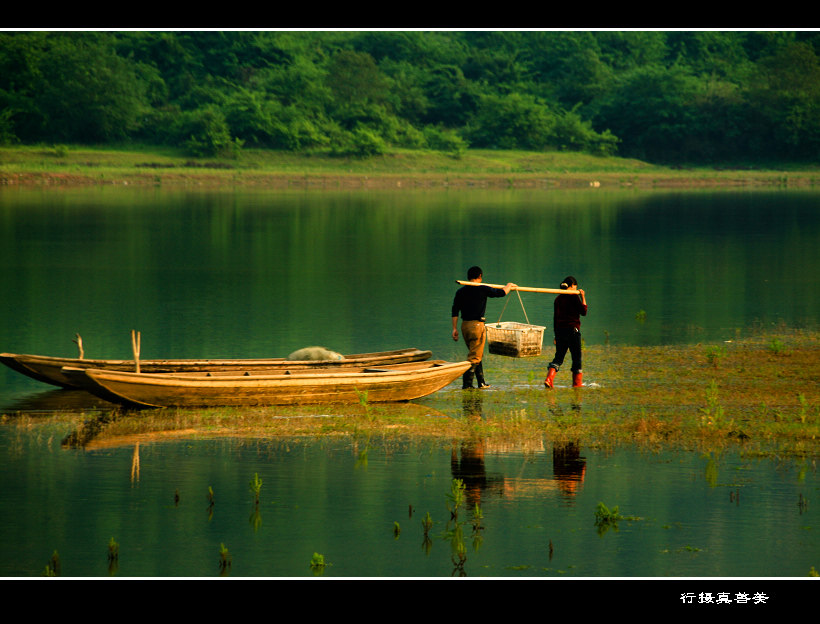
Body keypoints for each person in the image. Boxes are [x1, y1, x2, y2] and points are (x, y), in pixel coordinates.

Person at [451, 266, 516, 389]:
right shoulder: (482, 289)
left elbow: (455, 310)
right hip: (476, 326)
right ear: (480, 276)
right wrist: (509, 285)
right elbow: (501, 293)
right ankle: (467, 385)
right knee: (475, 357)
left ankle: (481, 382)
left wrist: (454, 328)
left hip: (465, 326)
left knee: (476, 353)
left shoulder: (460, 292)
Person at [544, 276, 587, 388]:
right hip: (573, 332)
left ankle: (549, 379)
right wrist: (582, 296)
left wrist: (555, 335)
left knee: (558, 357)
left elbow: (555, 319)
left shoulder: (558, 299)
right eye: (576, 287)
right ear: (572, 286)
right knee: (576, 358)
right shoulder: (574, 297)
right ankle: (577, 384)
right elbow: (583, 312)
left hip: (560, 332)